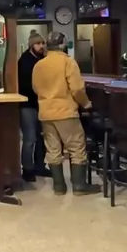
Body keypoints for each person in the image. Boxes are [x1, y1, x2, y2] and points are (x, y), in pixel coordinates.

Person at [32, 32, 100, 196]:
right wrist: (86, 104)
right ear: (63, 45)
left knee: (53, 150)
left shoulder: (39, 65)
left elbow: (36, 88)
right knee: (76, 148)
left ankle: (59, 187)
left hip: (46, 113)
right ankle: (79, 186)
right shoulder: (68, 62)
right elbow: (77, 89)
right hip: (65, 112)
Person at [16, 33, 47, 182]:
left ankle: (40, 166)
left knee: (41, 137)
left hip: (41, 104)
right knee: (30, 138)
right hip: (27, 104)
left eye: (42, 43)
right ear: (31, 45)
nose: (41, 46)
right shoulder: (25, 61)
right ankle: (27, 170)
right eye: (38, 44)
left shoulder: (43, 60)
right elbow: (24, 85)